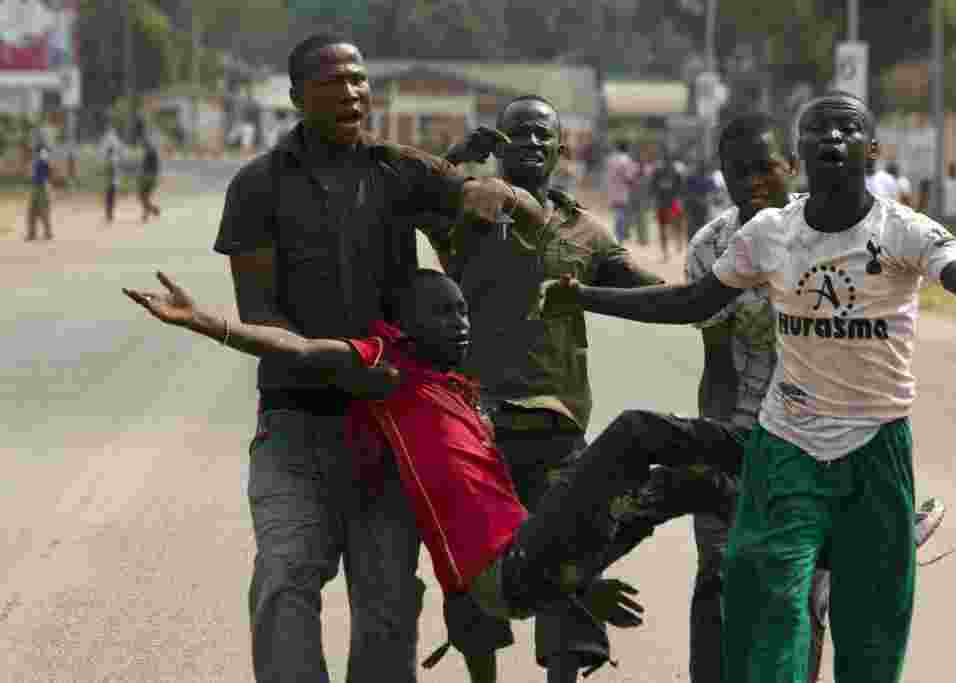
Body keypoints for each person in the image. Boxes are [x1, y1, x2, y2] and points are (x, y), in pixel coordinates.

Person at [538, 92, 956, 683]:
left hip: (877, 450)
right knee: (768, 608)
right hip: (785, 448)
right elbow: (689, 302)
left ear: (871, 150)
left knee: (873, 631)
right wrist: (585, 297)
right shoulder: (767, 235)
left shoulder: (907, 231)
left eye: (847, 129)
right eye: (818, 130)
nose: (832, 139)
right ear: (802, 153)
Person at [210, 33, 550, 683]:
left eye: (360, 79)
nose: (352, 93)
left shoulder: (400, 169)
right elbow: (258, 312)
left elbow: (513, 206)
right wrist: (339, 364)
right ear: (295, 97)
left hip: (393, 430)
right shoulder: (256, 186)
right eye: (332, 81)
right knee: (285, 580)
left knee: (388, 603)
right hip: (294, 423)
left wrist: (491, 194)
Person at [124, 270, 654, 672]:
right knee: (638, 440)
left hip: (513, 556)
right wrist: (207, 322)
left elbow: (498, 509)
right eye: (444, 314)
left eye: (464, 312)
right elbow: (304, 350)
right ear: (407, 326)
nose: (461, 323)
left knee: (652, 476)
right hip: (493, 568)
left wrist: (577, 584)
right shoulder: (390, 369)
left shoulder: (462, 395)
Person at [435, 96, 664, 683]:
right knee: (474, 564)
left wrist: (714, 294)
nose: (531, 144)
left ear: (563, 150)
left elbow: (648, 291)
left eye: (543, 136)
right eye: (519, 135)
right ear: (499, 142)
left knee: (570, 551)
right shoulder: (470, 209)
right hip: (476, 422)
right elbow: (417, 195)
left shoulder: (586, 233)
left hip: (558, 423)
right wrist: (459, 157)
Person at [649, 145, 687, 260]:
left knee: (675, 224)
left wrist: (680, 199)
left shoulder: (675, 171)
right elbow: (653, 187)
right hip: (664, 203)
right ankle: (666, 251)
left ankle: (677, 242)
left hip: (672, 202)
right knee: (664, 227)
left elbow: (681, 187)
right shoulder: (659, 171)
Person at [605, 140, 638, 242]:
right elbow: (629, 177)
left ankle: (617, 236)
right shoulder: (627, 160)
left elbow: (608, 175)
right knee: (622, 214)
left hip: (613, 189)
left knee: (617, 214)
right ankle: (620, 237)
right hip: (623, 190)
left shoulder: (611, 159)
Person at [26, 145, 54, 241]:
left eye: (45, 153)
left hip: (43, 189)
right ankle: (31, 233)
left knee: (44, 211)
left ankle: (48, 233)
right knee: (31, 211)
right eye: (42, 153)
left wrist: (49, 191)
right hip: (35, 188)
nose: (44, 154)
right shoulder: (36, 162)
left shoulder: (46, 164)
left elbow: (48, 179)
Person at [138, 136, 162, 222]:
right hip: (151, 177)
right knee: (144, 197)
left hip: (148, 177)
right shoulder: (151, 151)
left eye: (143, 145)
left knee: (142, 196)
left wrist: (143, 174)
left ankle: (152, 210)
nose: (142, 146)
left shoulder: (150, 152)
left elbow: (147, 166)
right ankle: (151, 211)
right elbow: (155, 166)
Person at [943, 162, 956, 229]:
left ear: (955, 170)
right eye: (950, 169)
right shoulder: (945, 181)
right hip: (948, 211)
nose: (952, 171)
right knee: (948, 231)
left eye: (953, 169)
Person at [104, 143, 120, 223]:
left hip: (112, 182)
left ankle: (109, 215)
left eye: (108, 152)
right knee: (110, 199)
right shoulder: (114, 159)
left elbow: (112, 171)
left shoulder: (111, 160)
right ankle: (109, 214)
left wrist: (110, 181)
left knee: (109, 199)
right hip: (113, 182)